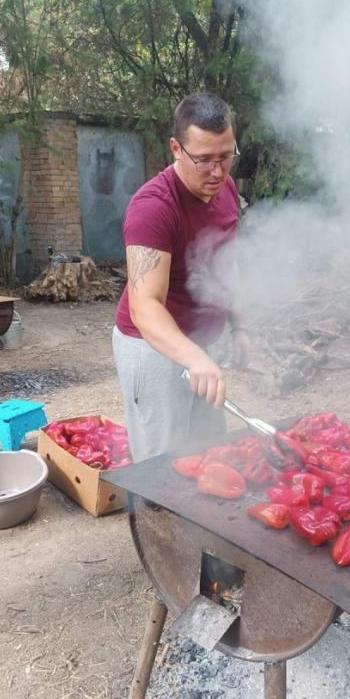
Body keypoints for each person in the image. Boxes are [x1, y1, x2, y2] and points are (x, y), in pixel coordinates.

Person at [112, 92, 249, 462]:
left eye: (226, 156)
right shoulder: (153, 208)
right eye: (203, 160)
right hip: (151, 346)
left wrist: (239, 326)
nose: (217, 172)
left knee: (208, 454)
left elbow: (225, 264)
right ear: (176, 148)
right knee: (163, 464)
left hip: (199, 344)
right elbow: (145, 305)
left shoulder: (226, 189)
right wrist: (194, 357)